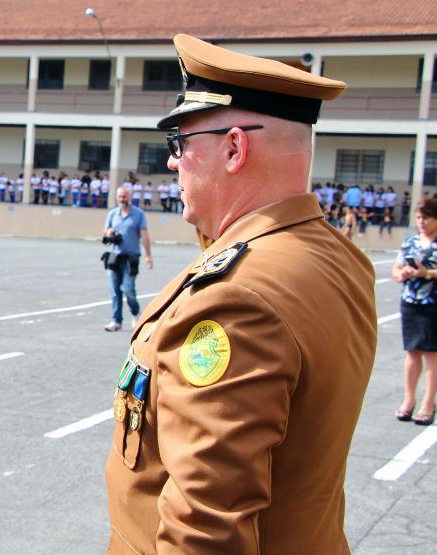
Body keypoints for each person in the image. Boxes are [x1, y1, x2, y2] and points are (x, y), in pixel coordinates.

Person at [104, 34, 376, 554]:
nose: (172, 163)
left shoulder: (236, 299)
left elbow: (206, 531)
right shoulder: (333, 254)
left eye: (179, 144)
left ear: (234, 148)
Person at [392, 198, 437, 425]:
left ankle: (429, 402)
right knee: (412, 352)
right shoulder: (411, 243)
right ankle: (408, 400)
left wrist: (426, 274)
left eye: (426, 217)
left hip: (433, 303)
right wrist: (402, 274)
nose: (421, 222)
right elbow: (396, 269)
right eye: (419, 217)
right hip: (410, 302)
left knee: (431, 354)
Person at [102, 186, 152, 332]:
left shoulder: (138, 214)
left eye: (125, 197)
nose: (122, 199)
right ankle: (116, 321)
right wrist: (109, 231)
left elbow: (144, 235)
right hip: (115, 256)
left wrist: (148, 255)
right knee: (115, 290)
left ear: (130, 197)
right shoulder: (113, 214)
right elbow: (105, 230)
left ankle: (136, 313)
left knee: (128, 288)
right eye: (120, 197)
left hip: (131, 257)